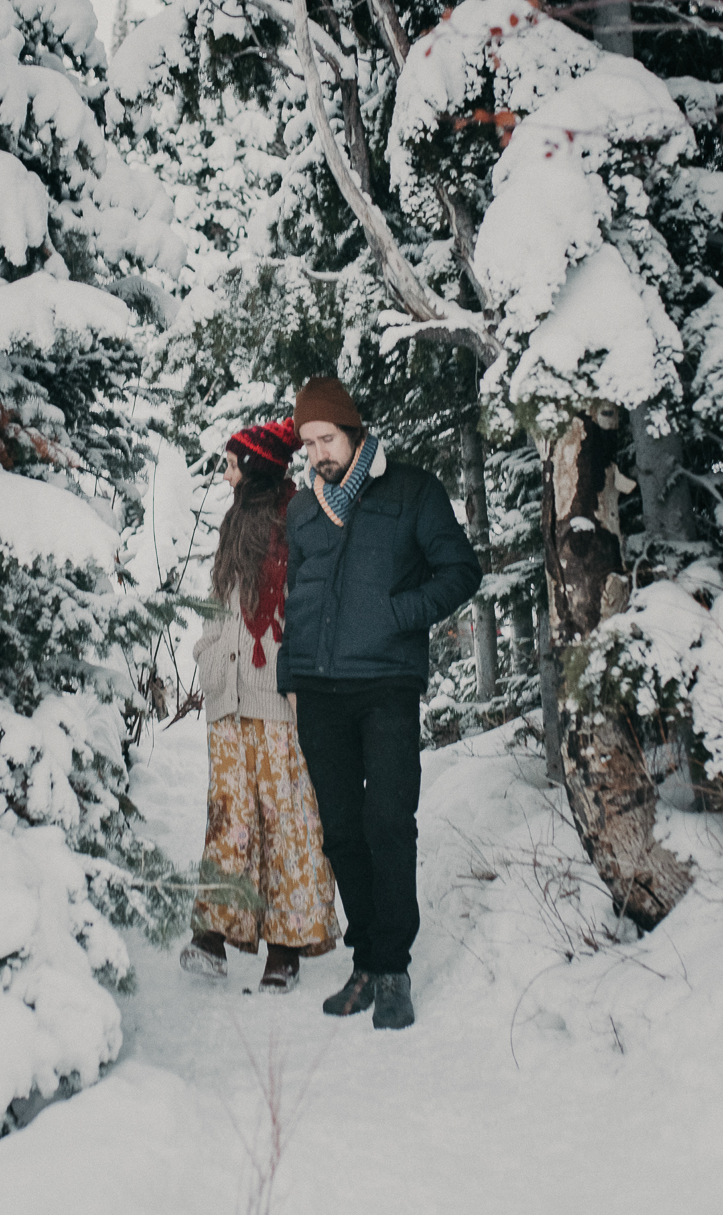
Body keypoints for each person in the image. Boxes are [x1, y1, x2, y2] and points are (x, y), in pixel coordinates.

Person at [278, 376, 481, 1031]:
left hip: (387, 684)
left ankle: (393, 969)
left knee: (388, 823)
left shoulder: (412, 491)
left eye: (326, 438)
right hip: (317, 689)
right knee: (340, 830)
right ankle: (364, 960)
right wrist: (290, 672)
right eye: (308, 442)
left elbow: (460, 572)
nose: (317, 453)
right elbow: (298, 599)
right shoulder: (302, 510)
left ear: (354, 430)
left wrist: (399, 613)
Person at [180, 418, 342, 992]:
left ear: (256, 468)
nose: (226, 474)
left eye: (231, 464)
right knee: (229, 815)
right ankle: (212, 936)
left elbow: (309, 601)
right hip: (228, 692)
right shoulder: (232, 524)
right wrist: (206, 651)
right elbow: (219, 599)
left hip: (278, 694)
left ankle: (287, 945)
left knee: (286, 818)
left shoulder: (297, 518)